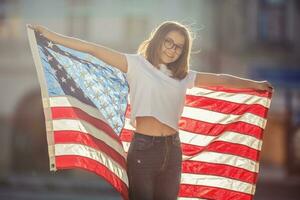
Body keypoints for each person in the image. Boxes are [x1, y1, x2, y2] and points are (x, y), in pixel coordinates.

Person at [28, 21, 273, 200]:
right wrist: (50, 35)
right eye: (169, 41)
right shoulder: (135, 64)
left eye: (178, 46)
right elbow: (92, 49)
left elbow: (221, 79)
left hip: (173, 151)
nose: (172, 48)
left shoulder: (183, 77)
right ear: (158, 40)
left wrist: (256, 85)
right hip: (143, 150)